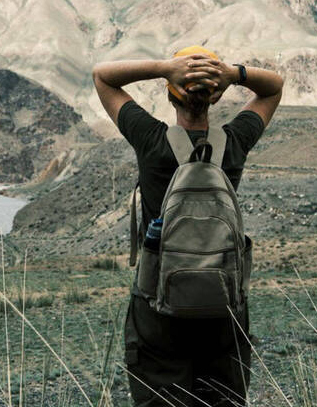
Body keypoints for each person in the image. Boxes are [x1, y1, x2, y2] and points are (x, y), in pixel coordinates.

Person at [92, 46, 284, 406]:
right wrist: (231, 74)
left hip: (157, 306)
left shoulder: (151, 141)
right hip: (223, 304)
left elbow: (103, 76)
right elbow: (274, 87)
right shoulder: (234, 142)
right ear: (216, 97)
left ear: (170, 92)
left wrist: (166, 68)